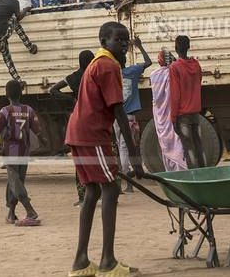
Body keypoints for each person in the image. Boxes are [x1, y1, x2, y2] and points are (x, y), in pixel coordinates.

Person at [66, 21, 144, 277]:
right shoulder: (108, 65)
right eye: (118, 39)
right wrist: (134, 158)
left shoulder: (98, 63)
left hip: (79, 132)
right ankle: (108, 261)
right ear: (103, 41)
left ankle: (81, 262)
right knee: (110, 188)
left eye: (126, 40)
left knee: (92, 193)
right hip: (92, 134)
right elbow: (119, 111)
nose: (123, 44)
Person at [0, 80, 47, 226]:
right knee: (16, 181)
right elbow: (38, 130)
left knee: (14, 181)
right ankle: (11, 214)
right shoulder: (28, 110)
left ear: (6, 94)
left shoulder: (5, 111)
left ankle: (30, 210)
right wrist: (44, 142)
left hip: (11, 150)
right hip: (24, 151)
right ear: (21, 93)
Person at [50, 49, 96, 206]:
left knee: (80, 159)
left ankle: (82, 197)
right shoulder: (94, 75)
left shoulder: (74, 77)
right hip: (94, 118)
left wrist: (71, 99)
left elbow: (53, 90)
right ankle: (101, 193)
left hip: (78, 118)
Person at [115, 36, 152, 193]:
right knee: (128, 149)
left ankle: (125, 182)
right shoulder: (133, 71)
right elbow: (148, 62)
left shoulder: (113, 74)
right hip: (130, 117)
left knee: (121, 148)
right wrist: (140, 46)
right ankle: (128, 182)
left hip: (116, 118)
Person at [0, 0, 39, 80]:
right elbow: (18, 17)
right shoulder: (14, 1)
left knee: (6, 56)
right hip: (2, 33)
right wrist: (25, 10)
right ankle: (30, 47)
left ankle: (18, 80)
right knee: (14, 20)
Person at [169, 35, 205, 169]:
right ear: (189, 47)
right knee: (199, 146)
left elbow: (175, 95)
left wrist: (173, 117)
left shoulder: (174, 67)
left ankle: (195, 177)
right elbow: (198, 82)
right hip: (195, 112)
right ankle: (205, 175)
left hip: (182, 114)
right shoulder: (196, 65)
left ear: (176, 47)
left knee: (189, 148)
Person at [149, 48, 187, 171]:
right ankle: (180, 168)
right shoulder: (172, 73)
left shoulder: (153, 75)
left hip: (159, 114)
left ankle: (169, 170)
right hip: (171, 110)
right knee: (175, 140)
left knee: (164, 142)